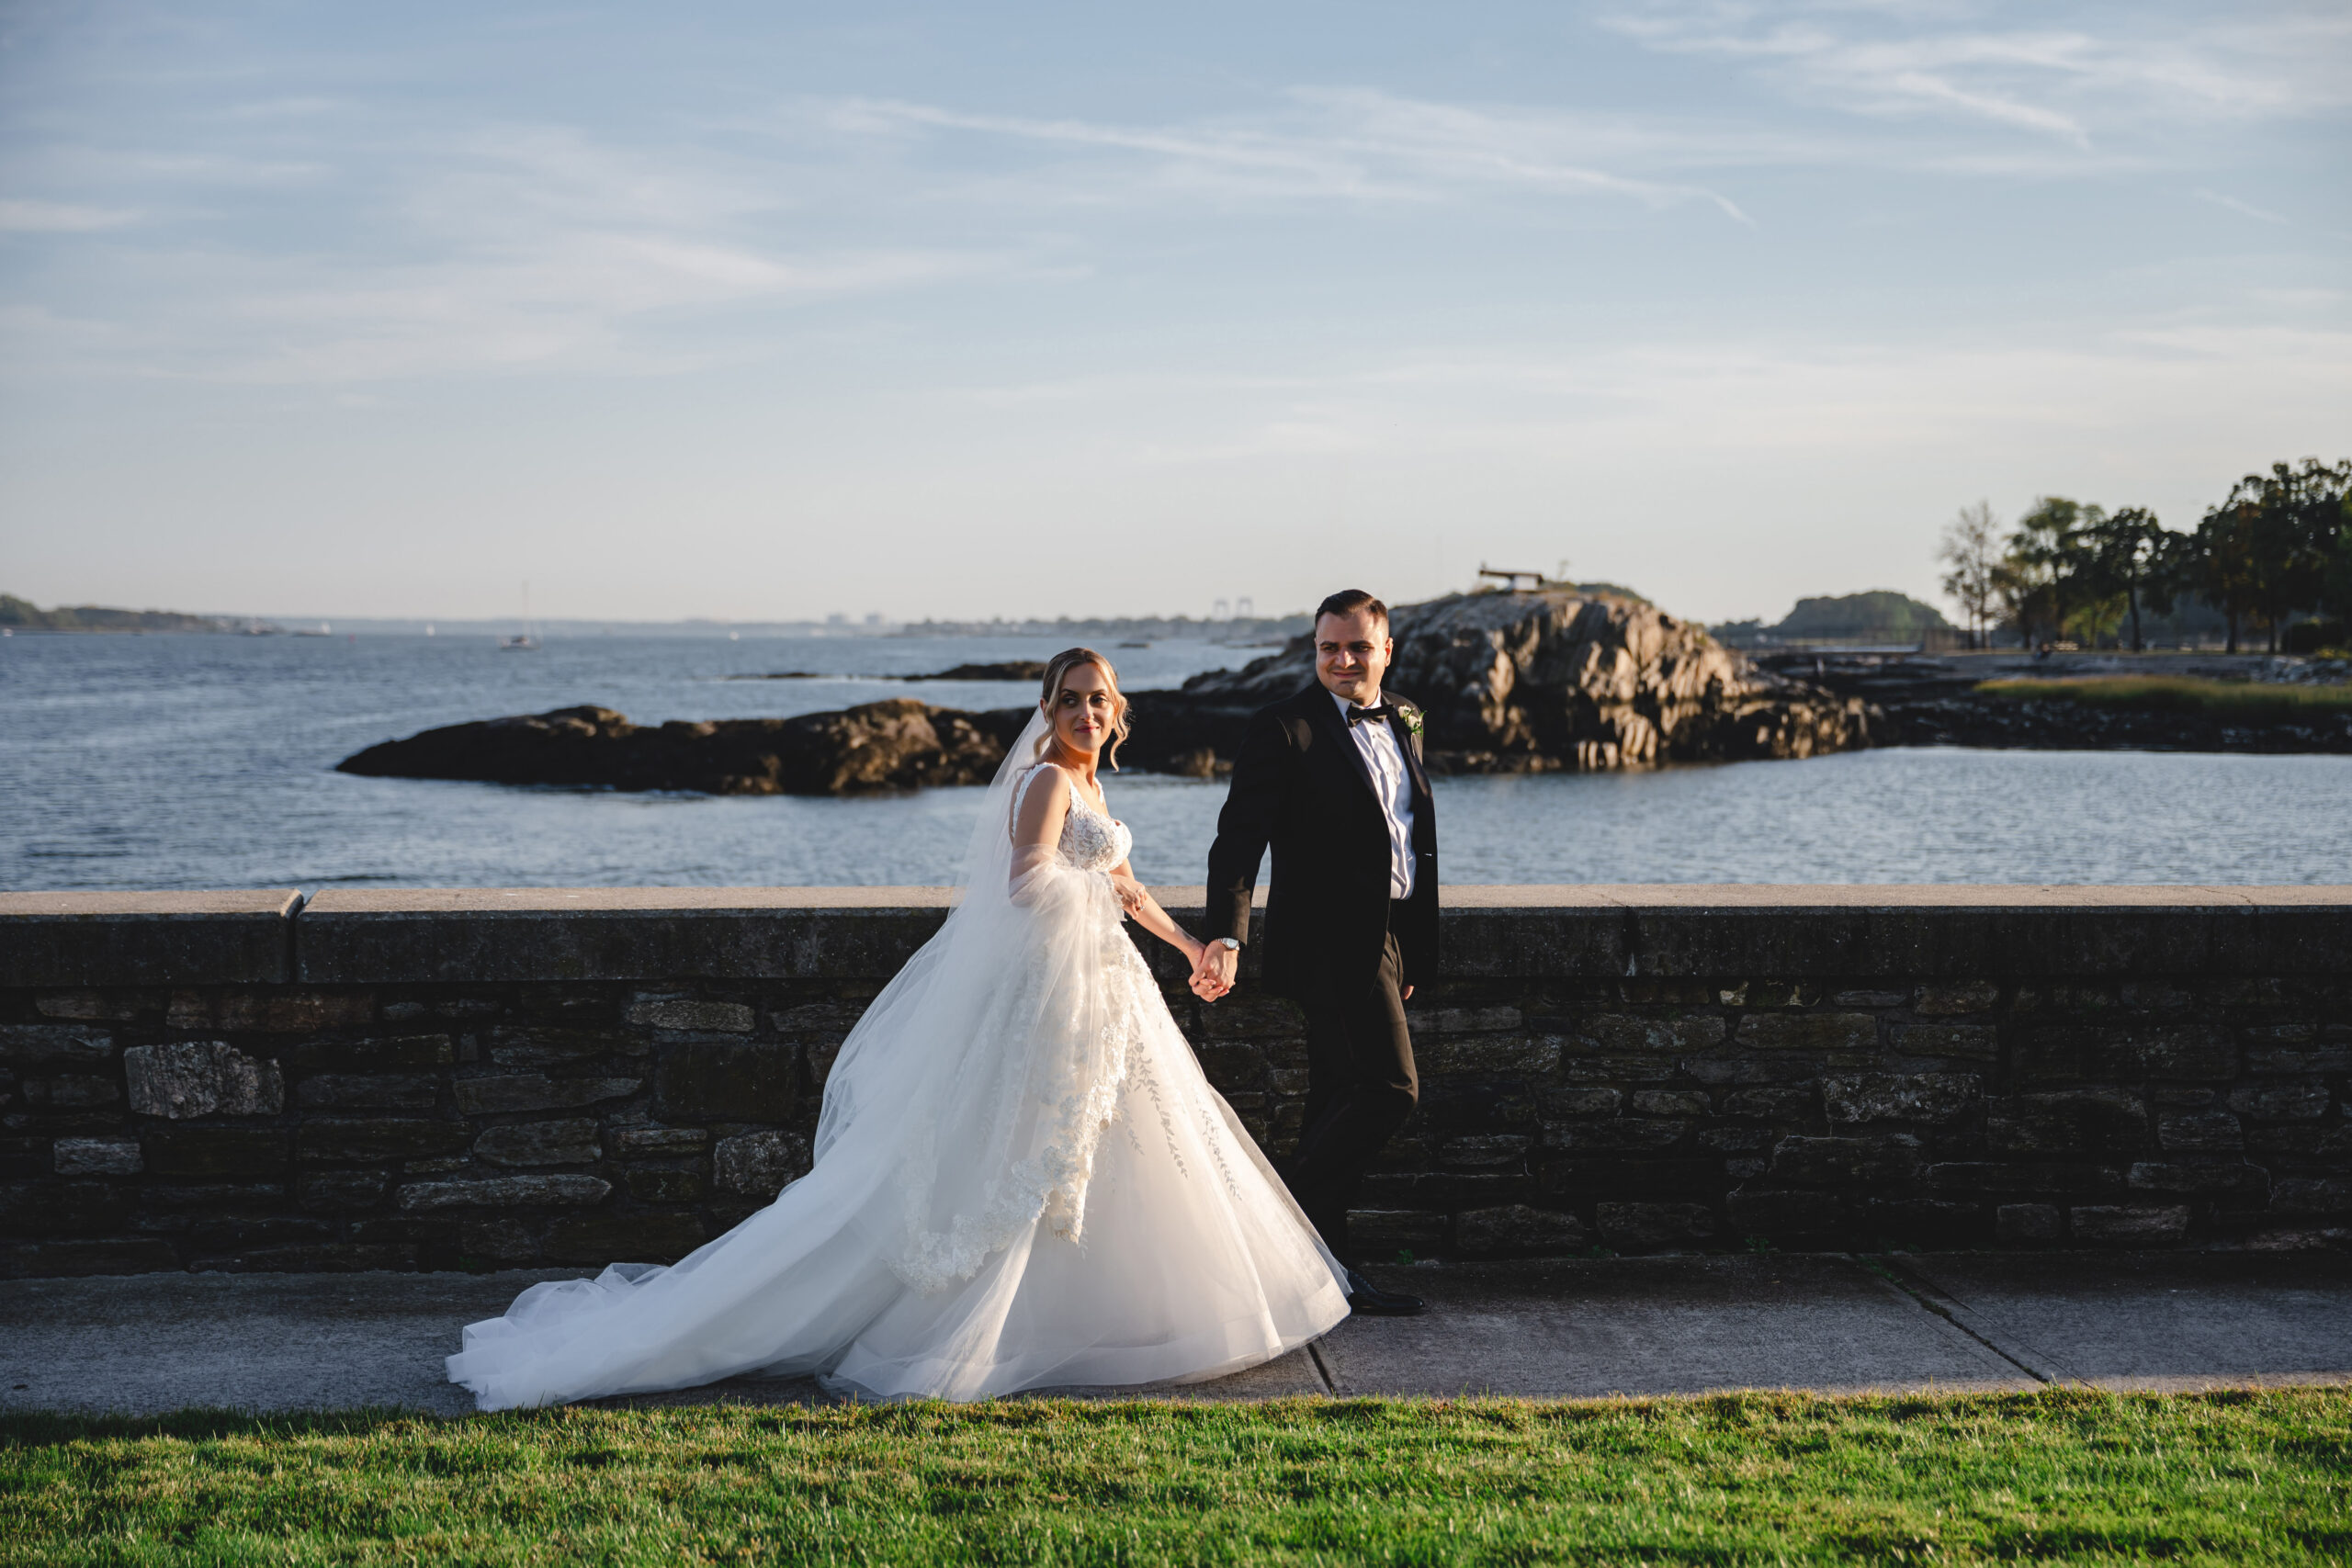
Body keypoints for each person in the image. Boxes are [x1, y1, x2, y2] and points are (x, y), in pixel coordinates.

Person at [447, 649, 1348, 1408]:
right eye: (1068, 699)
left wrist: (1190, 943)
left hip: (1103, 990)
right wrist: (1097, 912)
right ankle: (974, 1322)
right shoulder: (1042, 780)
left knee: (1105, 1147)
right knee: (1025, 1148)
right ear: (1048, 708)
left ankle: (1105, 1313)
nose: (1083, 712)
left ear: (1117, 713)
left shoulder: (1092, 786)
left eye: (1096, 700)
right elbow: (1028, 881)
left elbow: (1123, 888)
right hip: (1048, 992)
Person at [1196, 590, 1436, 1318]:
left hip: (1391, 938)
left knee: (1336, 1094)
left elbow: (1407, 836)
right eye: (1329, 647)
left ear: (1385, 650)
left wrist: (1414, 948)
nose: (1342, 660)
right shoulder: (1284, 727)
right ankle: (1277, 1228)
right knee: (1390, 1087)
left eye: (1358, 647)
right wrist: (1227, 934)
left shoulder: (1407, 718)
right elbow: (1241, 836)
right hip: (1327, 943)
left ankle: (1316, 1275)